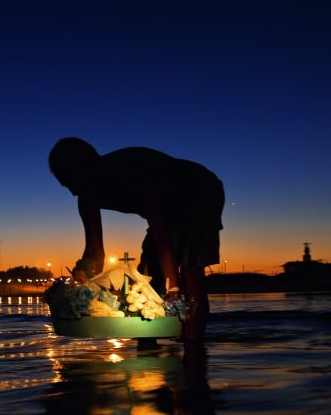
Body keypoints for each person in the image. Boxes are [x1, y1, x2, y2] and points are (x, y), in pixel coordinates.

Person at [48, 137, 225, 344]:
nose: (72, 191)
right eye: (65, 185)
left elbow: (161, 234)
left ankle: (194, 350)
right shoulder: (85, 196)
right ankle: (149, 345)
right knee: (147, 282)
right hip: (164, 215)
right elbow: (95, 250)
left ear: (85, 165)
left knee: (189, 271)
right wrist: (83, 279)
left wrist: (174, 290)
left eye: (71, 180)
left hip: (198, 190)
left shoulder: (132, 170)